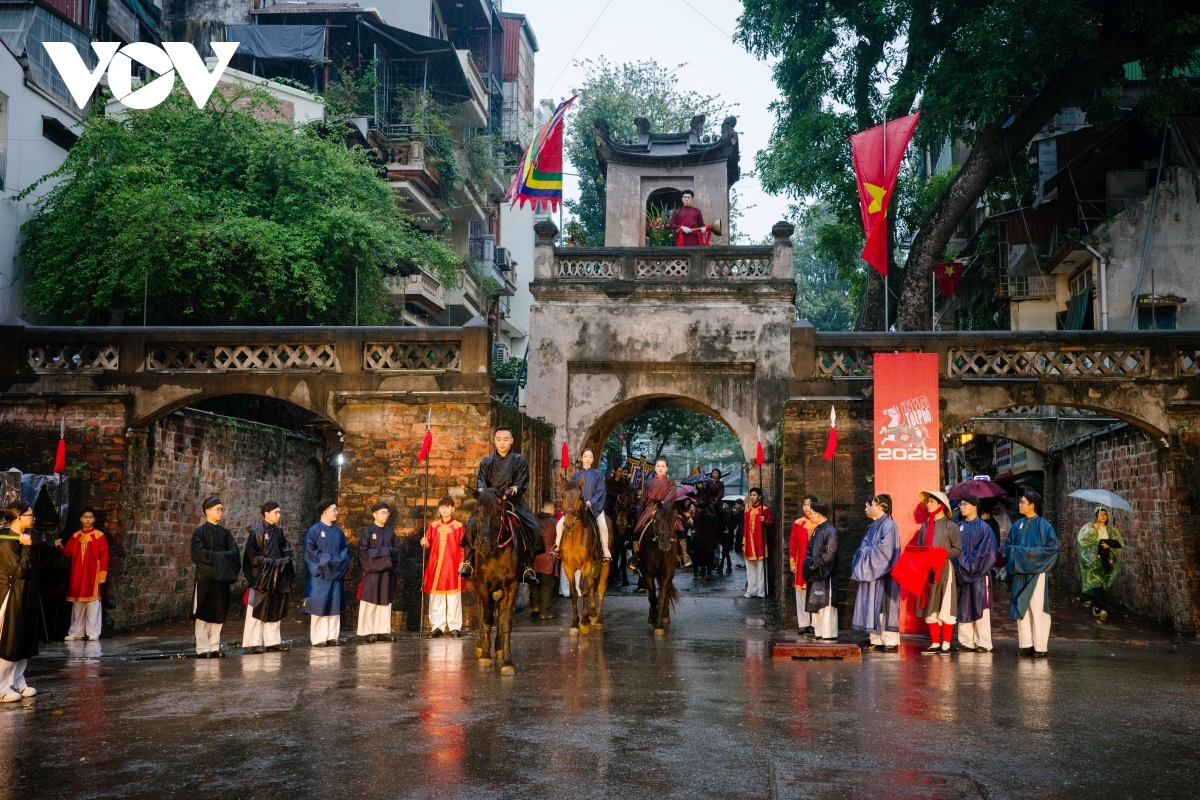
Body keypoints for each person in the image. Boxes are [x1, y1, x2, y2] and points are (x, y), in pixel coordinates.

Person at [462, 426, 542, 584]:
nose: (502, 443)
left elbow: (521, 482)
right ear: (495, 441)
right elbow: (481, 483)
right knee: (471, 526)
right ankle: (468, 562)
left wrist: (508, 492)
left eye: (505, 440)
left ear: (511, 441)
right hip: (490, 502)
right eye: (499, 440)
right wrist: (488, 495)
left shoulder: (519, 460)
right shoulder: (486, 462)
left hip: (513, 501)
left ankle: (527, 567)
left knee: (535, 530)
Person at [1004, 490, 1059, 657]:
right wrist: (1019, 554)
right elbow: (1007, 546)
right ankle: (1026, 644)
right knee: (1022, 606)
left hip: (1037, 572)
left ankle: (1040, 646)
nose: (1019, 504)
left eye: (1022, 502)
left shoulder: (1044, 526)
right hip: (1021, 572)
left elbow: (1051, 549)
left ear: (1032, 505)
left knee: (1037, 607)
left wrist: (1024, 554)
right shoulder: (1017, 525)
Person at [242, 500, 295, 654]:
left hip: (277, 575)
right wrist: (271, 563)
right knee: (257, 608)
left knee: (274, 607)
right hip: (262, 577)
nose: (279, 515)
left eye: (279, 512)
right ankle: (254, 642)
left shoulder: (279, 532)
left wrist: (284, 561)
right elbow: (252, 555)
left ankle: (273, 641)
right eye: (276, 512)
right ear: (267, 513)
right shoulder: (257, 531)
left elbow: (287, 550)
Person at [191, 497, 241, 658]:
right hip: (206, 578)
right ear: (207, 511)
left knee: (219, 611)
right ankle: (202, 647)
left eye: (221, 509)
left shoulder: (225, 533)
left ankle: (214, 646)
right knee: (204, 611)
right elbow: (199, 555)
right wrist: (220, 560)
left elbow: (234, 553)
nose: (220, 512)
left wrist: (218, 561)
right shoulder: (199, 533)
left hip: (221, 578)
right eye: (217, 509)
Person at [852, 494, 901, 651]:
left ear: (879, 507)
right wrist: (867, 552)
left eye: (870, 505)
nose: (867, 508)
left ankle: (890, 640)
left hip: (885, 571)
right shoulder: (873, 526)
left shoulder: (889, 525)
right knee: (874, 605)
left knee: (885, 605)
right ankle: (877, 638)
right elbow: (863, 545)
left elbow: (885, 549)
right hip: (872, 569)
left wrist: (866, 553)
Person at [0, 501, 38, 701]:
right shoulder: (7, 543)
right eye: (30, 514)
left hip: (25, 594)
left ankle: (17, 681)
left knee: (23, 640)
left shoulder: (23, 539)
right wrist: (25, 549)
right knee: (10, 640)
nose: (33, 517)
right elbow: (19, 571)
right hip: (11, 595)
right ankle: (1, 686)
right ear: (19, 517)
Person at [916, 489, 962, 655]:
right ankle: (935, 642)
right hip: (927, 570)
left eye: (931, 502)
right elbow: (921, 548)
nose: (928, 504)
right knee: (930, 605)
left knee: (946, 604)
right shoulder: (925, 526)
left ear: (941, 505)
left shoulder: (951, 526)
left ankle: (947, 643)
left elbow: (957, 550)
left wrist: (941, 553)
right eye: (928, 501)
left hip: (944, 569)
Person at [953, 495, 998, 653]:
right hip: (961, 574)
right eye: (960, 504)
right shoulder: (958, 527)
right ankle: (966, 641)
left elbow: (987, 552)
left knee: (980, 606)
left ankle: (983, 642)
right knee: (963, 604)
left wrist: (965, 562)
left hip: (979, 573)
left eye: (965, 504)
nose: (961, 506)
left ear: (974, 507)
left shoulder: (985, 528)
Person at [58, 507, 108, 641]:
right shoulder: (76, 536)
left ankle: (93, 632)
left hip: (93, 574)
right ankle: (76, 632)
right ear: (81, 519)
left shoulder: (99, 536)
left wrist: (102, 574)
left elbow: (104, 556)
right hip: (78, 574)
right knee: (77, 604)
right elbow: (67, 552)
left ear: (94, 519)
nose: (88, 519)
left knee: (93, 604)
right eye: (85, 517)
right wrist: (60, 546)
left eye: (90, 517)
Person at [303, 499, 349, 647]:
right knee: (319, 604)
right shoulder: (314, 531)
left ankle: (332, 636)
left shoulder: (338, 532)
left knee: (334, 604)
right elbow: (311, 552)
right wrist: (328, 561)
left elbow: (345, 549)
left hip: (336, 573)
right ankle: (318, 638)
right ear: (324, 511)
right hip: (320, 574)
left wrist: (338, 561)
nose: (336, 512)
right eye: (333, 509)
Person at [632, 458, 692, 568]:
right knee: (637, 529)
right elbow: (644, 500)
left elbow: (672, 494)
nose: (660, 468)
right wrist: (640, 515)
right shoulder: (649, 482)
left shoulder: (671, 482)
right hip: (651, 509)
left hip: (667, 509)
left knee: (680, 528)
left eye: (663, 466)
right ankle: (636, 556)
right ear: (655, 468)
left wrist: (664, 504)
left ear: (667, 468)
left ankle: (684, 555)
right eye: (658, 466)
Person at [554, 448, 611, 562]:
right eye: (585, 456)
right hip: (578, 508)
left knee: (603, 528)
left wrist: (592, 501)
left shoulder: (598, 474)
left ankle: (605, 551)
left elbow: (601, 491)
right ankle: (557, 547)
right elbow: (571, 492)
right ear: (581, 458)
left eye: (590, 457)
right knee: (560, 524)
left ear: (593, 459)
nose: (588, 459)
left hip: (594, 508)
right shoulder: (576, 476)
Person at [357, 501, 401, 643]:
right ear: (374, 514)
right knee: (370, 601)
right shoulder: (367, 532)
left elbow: (398, 550)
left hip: (387, 572)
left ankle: (383, 630)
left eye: (387, 513)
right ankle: (368, 631)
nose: (385, 515)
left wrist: (383, 554)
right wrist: (385, 554)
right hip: (373, 572)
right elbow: (364, 553)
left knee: (385, 601)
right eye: (382, 513)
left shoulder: (390, 532)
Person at [422, 497, 465, 637]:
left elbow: (462, 547)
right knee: (436, 598)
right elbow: (428, 543)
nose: (444, 509)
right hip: (436, 565)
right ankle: (437, 626)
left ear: (453, 508)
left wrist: (462, 563)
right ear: (439, 509)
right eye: (442, 507)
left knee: (454, 597)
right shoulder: (433, 526)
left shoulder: (459, 526)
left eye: (447, 507)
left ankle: (455, 626)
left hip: (453, 566)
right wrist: (424, 542)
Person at [1078, 506, 1123, 622]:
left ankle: (1097, 606)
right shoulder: (1089, 527)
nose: (1102, 517)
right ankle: (1103, 609)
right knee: (1097, 584)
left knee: (1102, 585)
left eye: (1105, 514)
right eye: (1100, 514)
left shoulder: (1110, 531)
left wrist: (1109, 546)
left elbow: (1118, 544)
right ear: (1095, 516)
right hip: (1092, 562)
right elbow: (1081, 540)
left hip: (1105, 560)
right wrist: (1093, 530)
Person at [802, 500, 839, 641]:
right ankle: (820, 632)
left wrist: (813, 565)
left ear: (818, 513)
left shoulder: (830, 531)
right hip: (816, 571)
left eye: (811, 513)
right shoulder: (818, 529)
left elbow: (829, 555)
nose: (809, 515)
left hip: (824, 574)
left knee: (826, 605)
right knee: (817, 604)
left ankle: (828, 633)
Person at [789, 495, 817, 635]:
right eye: (804, 504)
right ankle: (803, 623)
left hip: (817, 565)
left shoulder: (820, 523)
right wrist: (792, 563)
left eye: (810, 504)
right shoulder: (798, 523)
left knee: (816, 593)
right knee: (801, 594)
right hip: (801, 563)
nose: (807, 507)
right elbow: (793, 545)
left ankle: (815, 623)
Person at [742, 488, 773, 598]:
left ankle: (761, 591)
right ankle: (751, 590)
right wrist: (744, 542)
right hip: (749, 543)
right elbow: (745, 528)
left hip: (760, 542)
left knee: (761, 568)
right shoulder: (747, 511)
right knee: (750, 568)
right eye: (751, 495)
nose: (752, 497)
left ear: (759, 496)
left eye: (754, 495)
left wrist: (765, 521)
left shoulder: (765, 509)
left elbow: (771, 524)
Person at [531, 501, 559, 620]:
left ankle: (535, 607)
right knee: (548, 585)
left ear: (542, 509)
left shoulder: (533, 521)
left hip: (535, 558)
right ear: (552, 510)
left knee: (535, 583)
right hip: (549, 558)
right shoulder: (555, 523)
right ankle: (545, 611)